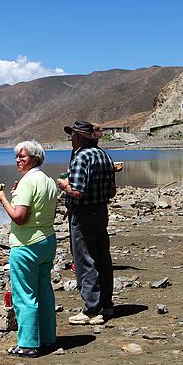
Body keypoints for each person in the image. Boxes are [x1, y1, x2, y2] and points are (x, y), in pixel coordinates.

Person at [0, 140, 61, 357]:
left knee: (24, 295)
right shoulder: (48, 181)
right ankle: (48, 338)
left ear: (34, 158)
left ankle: (28, 344)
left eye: (22, 157)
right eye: (16, 157)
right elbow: (40, 209)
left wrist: (2, 198)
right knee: (44, 292)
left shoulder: (27, 182)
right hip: (47, 241)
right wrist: (15, 195)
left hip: (26, 245)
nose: (18, 161)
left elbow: (19, 217)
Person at [56, 121, 117, 325]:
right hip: (101, 211)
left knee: (85, 259)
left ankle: (92, 309)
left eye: (72, 136)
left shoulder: (81, 157)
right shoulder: (104, 155)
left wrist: (65, 186)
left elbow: (77, 192)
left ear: (80, 138)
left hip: (82, 214)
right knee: (102, 258)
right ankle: (106, 304)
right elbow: (112, 191)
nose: (70, 139)